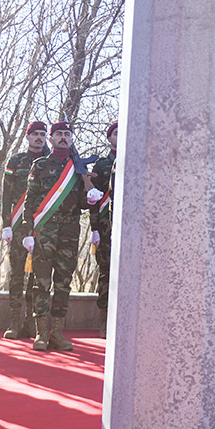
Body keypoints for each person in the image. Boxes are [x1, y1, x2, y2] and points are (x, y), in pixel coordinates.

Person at [25, 122, 87, 352]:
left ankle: (57, 334)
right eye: (58, 134)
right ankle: (41, 334)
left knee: (63, 281)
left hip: (70, 229)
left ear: (71, 139)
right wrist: (28, 231)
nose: (63, 137)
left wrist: (90, 196)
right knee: (41, 281)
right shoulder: (40, 165)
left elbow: (82, 202)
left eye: (67, 134)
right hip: (45, 229)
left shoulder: (78, 167)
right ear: (51, 139)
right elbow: (30, 200)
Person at [0, 121, 49, 340]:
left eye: (42, 134)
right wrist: (6, 225)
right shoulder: (16, 161)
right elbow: (6, 196)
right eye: (35, 134)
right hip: (19, 227)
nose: (39, 137)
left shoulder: (51, 162)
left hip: (43, 226)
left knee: (38, 276)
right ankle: (14, 321)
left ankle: (31, 321)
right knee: (17, 274)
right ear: (27, 137)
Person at [88, 122, 118, 337]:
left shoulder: (137, 161)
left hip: (130, 228)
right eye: (115, 133)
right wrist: (94, 229)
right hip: (106, 227)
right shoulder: (101, 165)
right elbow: (94, 199)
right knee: (106, 273)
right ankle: (105, 321)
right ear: (109, 139)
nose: (120, 136)